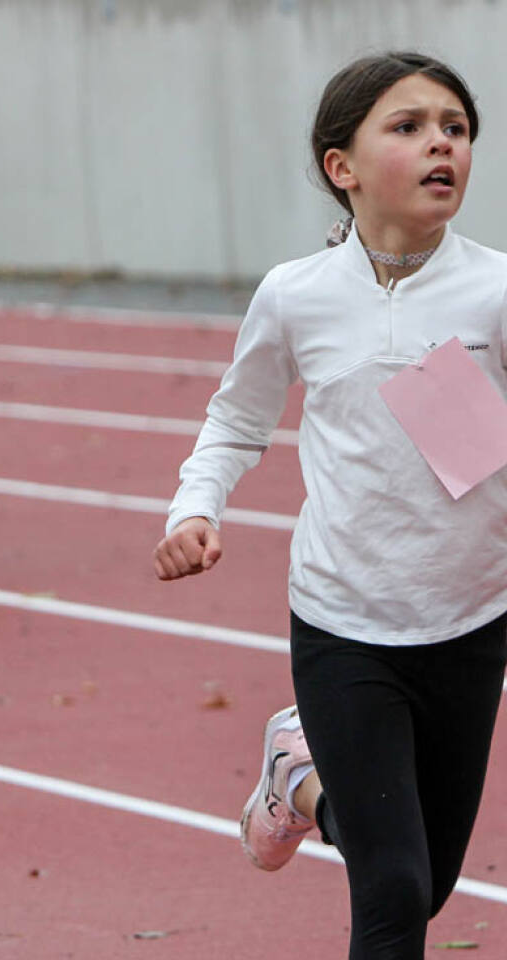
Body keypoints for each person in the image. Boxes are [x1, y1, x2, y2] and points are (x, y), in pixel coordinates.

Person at [153, 52, 507, 959]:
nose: (442, 144)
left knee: (427, 885)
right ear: (340, 166)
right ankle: (309, 763)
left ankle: (297, 776)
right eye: (410, 127)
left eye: (457, 129)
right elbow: (236, 420)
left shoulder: (496, 290)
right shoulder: (295, 295)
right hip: (343, 621)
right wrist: (195, 509)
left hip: (470, 620)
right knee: (392, 891)